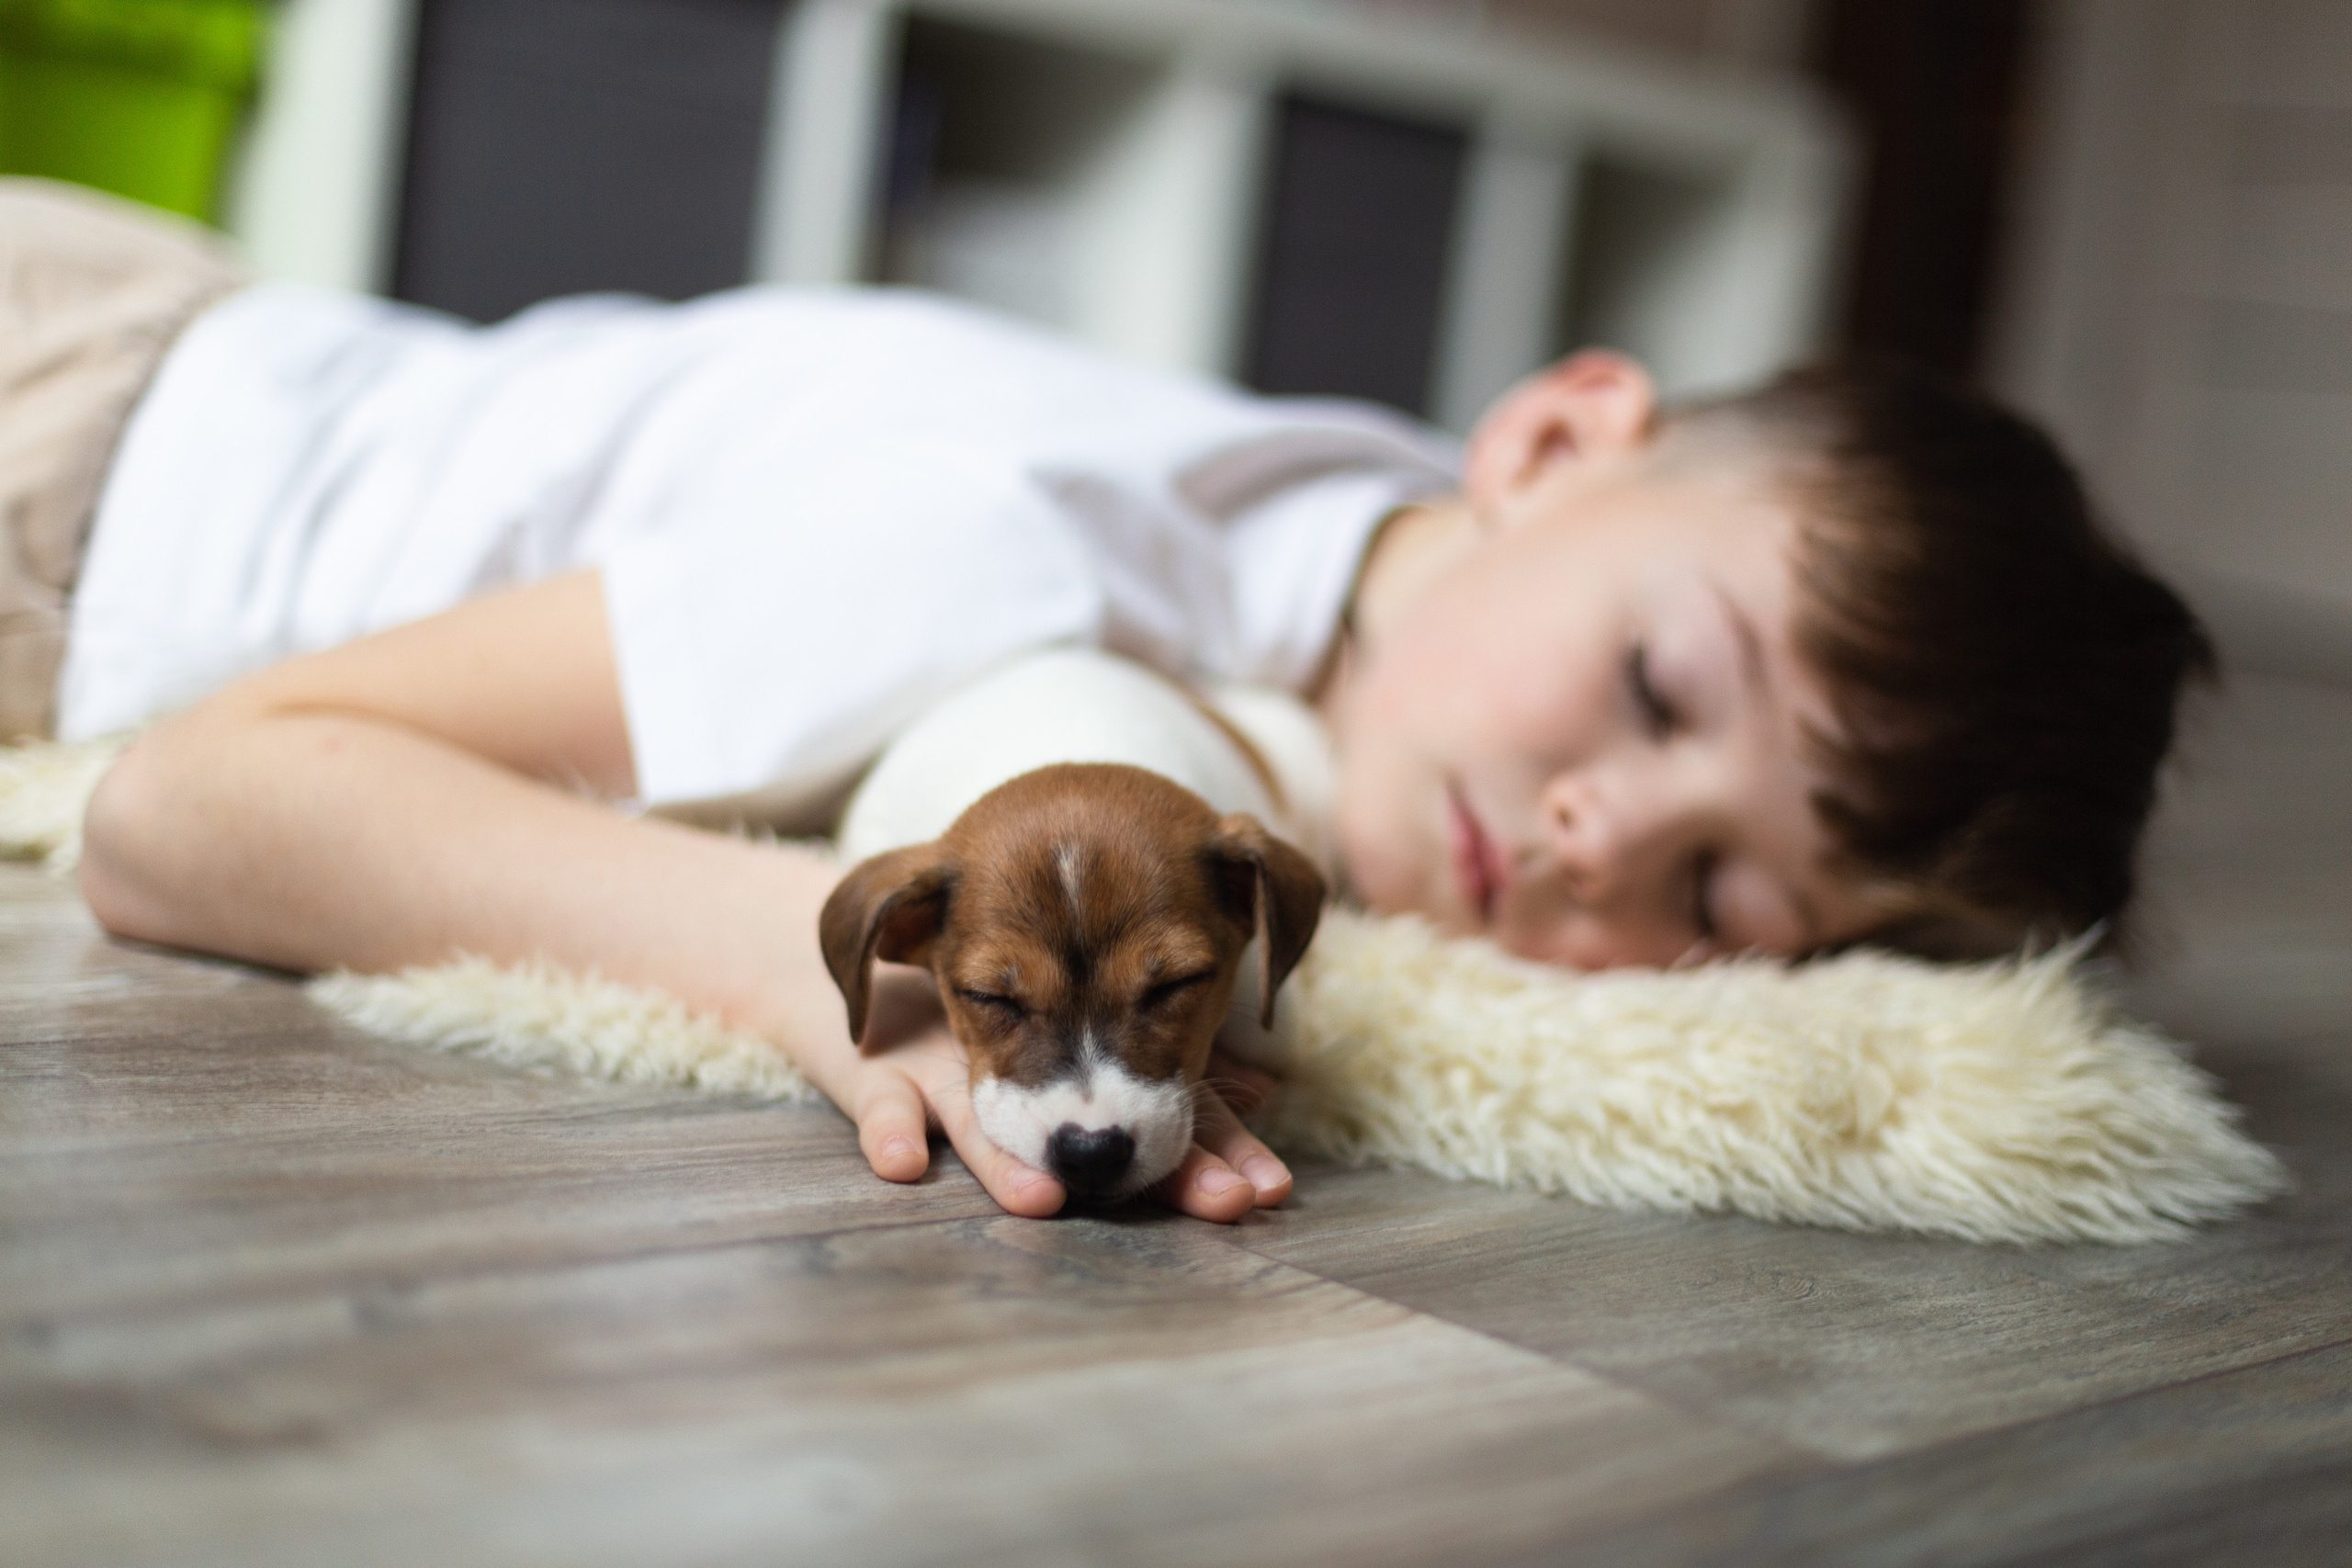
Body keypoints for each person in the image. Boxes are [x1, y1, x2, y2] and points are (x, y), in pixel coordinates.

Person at [5, 179, 2212, 1224]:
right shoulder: (999, 542)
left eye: (1725, 891)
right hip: (79, 456)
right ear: (1546, 440)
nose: (1590, 839)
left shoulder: (1327, 607)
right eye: (1652, 686)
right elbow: (185, 801)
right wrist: (817, 986)